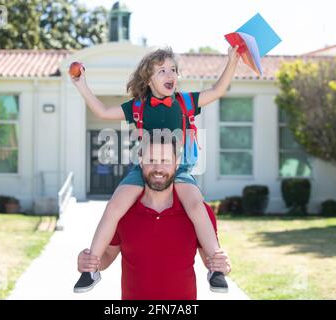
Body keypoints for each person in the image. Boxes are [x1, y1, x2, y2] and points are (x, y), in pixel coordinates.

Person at [71, 45, 239, 293]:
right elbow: (103, 111)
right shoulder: (138, 107)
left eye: (173, 69)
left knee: (196, 205)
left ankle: (216, 268)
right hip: (144, 168)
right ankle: (91, 268)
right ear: (148, 79)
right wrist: (81, 84)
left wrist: (232, 60)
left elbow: (217, 90)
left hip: (178, 167)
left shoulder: (185, 102)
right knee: (115, 205)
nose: (170, 74)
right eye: (161, 71)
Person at [76, 137, 232, 299]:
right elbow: (108, 256)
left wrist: (224, 265)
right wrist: (91, 262)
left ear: (177, 163)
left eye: (165, 160)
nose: (158, 168)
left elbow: (210, 260)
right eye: (151, 160)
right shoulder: (123, 210)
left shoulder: (196, 210)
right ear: (141, 162)